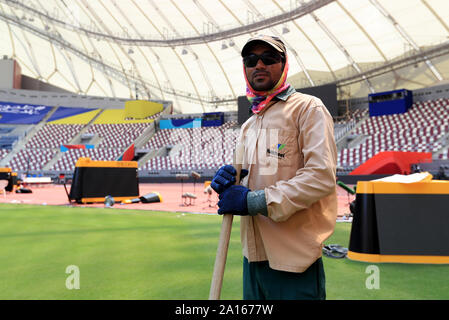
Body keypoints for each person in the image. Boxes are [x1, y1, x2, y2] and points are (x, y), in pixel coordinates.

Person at [211, 35, 338, 300]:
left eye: (268, 59)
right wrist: (232, 183)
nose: (259, 65)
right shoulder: (249, 125)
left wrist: (252, 201)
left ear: (283, 65)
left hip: (294, 261)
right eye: (251, 60)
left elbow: (321, 177)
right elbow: (258, 180)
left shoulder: (308, 108)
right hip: (253, 258)